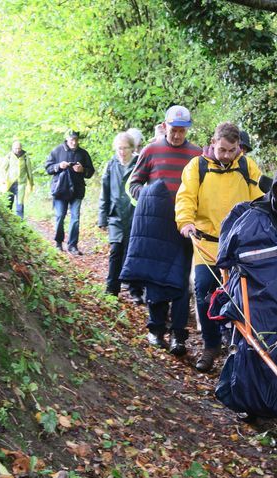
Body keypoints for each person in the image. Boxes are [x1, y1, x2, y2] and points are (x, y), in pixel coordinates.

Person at [213, 158, 277, 422]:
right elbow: (226, 256)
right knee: (255, 340)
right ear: (275, 188)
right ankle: (250, 401)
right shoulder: (251, 217)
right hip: (257, 297)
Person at [176, 121, 264, 372]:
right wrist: (185, 221)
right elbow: (186, 196)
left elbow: (261, 200)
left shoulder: (247, 166)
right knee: (204, 290)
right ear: (213, 143)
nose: (226, 155)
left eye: (232, 150)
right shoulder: (197, 166)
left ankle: (237, 345)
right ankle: (210, 344)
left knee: (241, 296)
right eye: (222, 149)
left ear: (239, 147)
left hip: (239, 246)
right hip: (207, 243)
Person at [121, 105, 201, 355]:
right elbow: (133, 183)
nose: (177, 135)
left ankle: (178, 336)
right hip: (156, 225)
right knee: (156, 278)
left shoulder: (197, 155)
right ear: (164, 126)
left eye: (182, 131)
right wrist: (148, 199)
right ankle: (155, 330)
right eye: (173, 130)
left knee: (179, 282)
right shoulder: (151, 150)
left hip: (184, 226)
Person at [98, 132, 144, 303]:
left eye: (125, 148)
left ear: (132, 148)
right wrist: (102, 218)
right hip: (115, 215)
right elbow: (105, 192)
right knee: (116, 250)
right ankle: (112, 288)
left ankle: (135, 290)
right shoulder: (111, 165)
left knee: (133, 252)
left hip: (134, 214)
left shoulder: (139, 164)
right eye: (119, 148)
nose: (122, 152)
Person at [45, 130, 95, 254]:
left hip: (77, 190)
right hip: (60, 190)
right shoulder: (57, 151)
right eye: (72, 139)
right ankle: (58, 242)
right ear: (67, 139)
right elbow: (48, 168)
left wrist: (82, 169)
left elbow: (90, 172)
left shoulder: (83, 154)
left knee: (75, 218)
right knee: (60, 216)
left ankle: (72, 245)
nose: (74, 142)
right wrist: (58, 166)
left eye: (76, 139)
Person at [0, 140, 33, 219]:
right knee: (8, 204)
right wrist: (2, 180)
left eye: (19, 148)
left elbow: (29, 171)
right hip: (9, 184)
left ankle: (20, 223)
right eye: (15, 148)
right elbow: (2, 169)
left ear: (21, 148)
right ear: (12, 148)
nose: (17, 150)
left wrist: (31, 183)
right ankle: (7, 221)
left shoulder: (25, 157)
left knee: (20, 205)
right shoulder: (9, 156)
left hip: (21, 184)